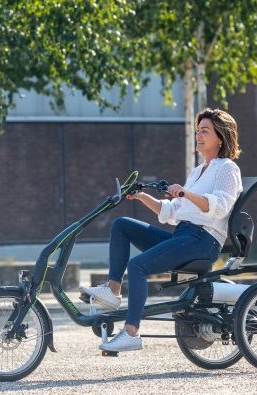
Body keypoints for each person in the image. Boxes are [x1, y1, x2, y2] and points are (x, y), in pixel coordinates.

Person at [80, 108, 243, 352]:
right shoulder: (199, 171)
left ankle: (131, 332)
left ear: (220, 137)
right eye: (197, 131)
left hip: (203, 240)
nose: (198, 135)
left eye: (205, 131)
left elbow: (218, 207)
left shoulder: (227, 169)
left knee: (138, 266)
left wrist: (186, 192)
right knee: (122, 225)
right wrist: (142, 196)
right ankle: (113, 291)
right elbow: (172, 210)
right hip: (184, 235)